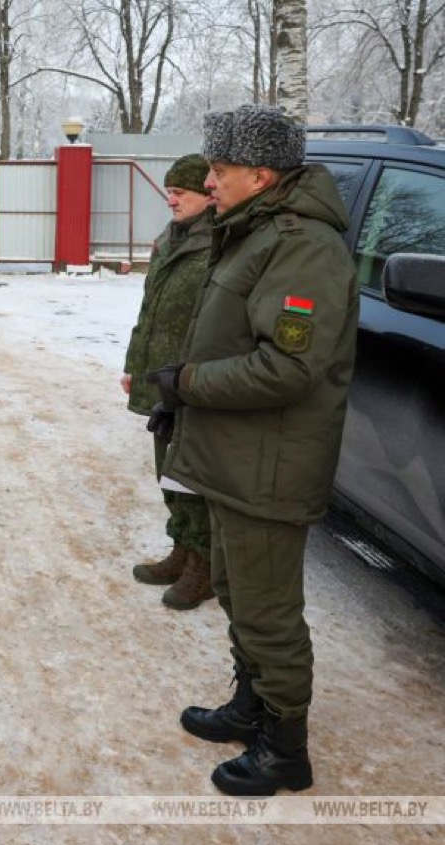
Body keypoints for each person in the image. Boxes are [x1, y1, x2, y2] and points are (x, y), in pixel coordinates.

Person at [147, 105, 358, 796]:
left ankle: (285, 748)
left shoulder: (301, 246)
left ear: (261, 175)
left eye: (219, 169)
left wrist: (188, 382)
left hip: (269, 465)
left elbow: (288, 368)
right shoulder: (254, 230)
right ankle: (251, 704)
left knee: (268, 611)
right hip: (235, 457)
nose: (208, 181)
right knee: (240, 593)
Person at [122, 154, 214, 610]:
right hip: (163, 378)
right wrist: (134, 365)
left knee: (192, 474)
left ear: (208, 195)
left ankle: (205, 563)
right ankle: (181, 548)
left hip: (193, 380)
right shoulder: (171, 239)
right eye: (169, 191)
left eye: (180, 192)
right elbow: (149, 311)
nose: (170, 199)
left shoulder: (219, 243)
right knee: (168, 470)